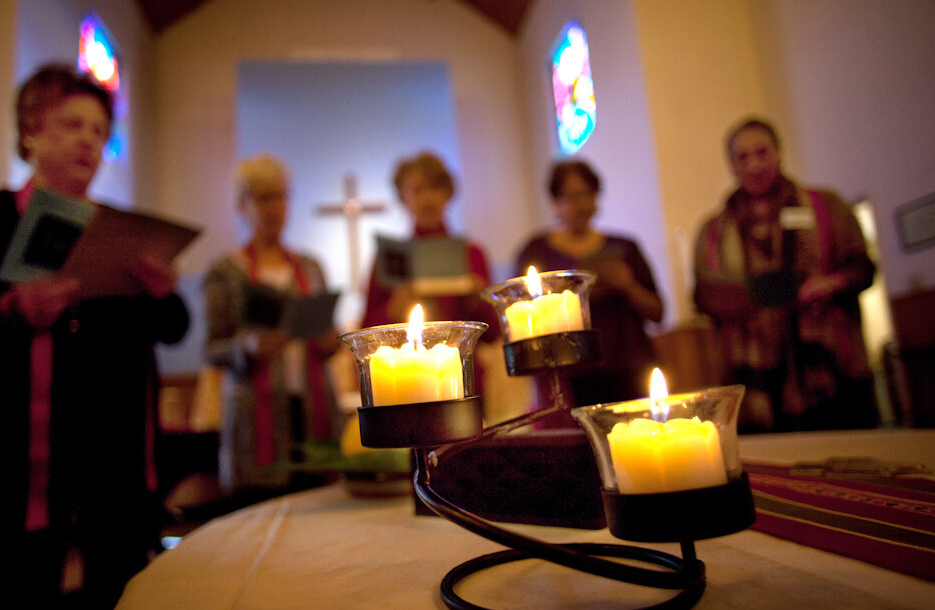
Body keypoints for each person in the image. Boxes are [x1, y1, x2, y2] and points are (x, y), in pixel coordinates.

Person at [0, 64, 189, 610]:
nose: (88, 140)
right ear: (30, 132)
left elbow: (173, 331)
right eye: (72, 124)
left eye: (99, 131)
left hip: (109, 468)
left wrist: (163, 293)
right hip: (12, 461)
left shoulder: (119, 232)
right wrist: (11, 307)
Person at [693, 117, 877, 432]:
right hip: (755, 383)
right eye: (742, 156)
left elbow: (863, 268)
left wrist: (831, 283)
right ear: (732, 165)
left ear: (779, 152)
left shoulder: (826, 206)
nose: (753, 164)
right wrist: (746, 296)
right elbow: (703, 296)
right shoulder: (713, 231)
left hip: (831, 369)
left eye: (762, 152)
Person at [204, 155, 340, 495]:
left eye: (281, 196)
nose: (275, 207)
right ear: (242, 206)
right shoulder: (225, 271)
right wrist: (246, 347)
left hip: (312, 409)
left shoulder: (311, 267)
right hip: (256, 417)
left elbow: (328, 334)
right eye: (264, 198)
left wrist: (331, 340)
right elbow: (211, 348)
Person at [515, 160, 664, 408]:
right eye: (572, 196)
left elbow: (658, 312)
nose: (581, 204)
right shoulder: (537, 252)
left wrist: (627, 286)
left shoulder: (626, 247)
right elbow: (523, 317)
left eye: (587, 194)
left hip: (628, 367)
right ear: (555, 202)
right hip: (569, 374)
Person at [361, 151, 498, 334]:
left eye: (434, 187)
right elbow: (365, 331)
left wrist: (478, 303)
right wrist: (391, 311)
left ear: (447, 193)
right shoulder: (387, 259)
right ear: (403, 198)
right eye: (417, 190)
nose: (427, 199)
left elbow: (493, 332)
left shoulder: (472, 255)